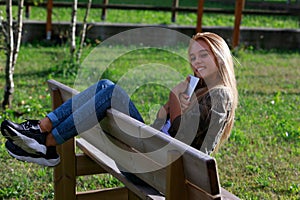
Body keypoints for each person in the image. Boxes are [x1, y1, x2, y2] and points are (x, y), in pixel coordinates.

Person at [1, 32, 238, 167]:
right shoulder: (199, 91)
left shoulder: (221, 95)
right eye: (193, 56)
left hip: (160, 168)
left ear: (220, 56)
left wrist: (174, 105)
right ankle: (44, 132)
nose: (196, 62)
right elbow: (163, 130)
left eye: (204, 55)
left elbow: (199, 153)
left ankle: (47, 142)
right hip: (153, 159)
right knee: (106, 86)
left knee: (110, 91)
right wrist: (164, 114)